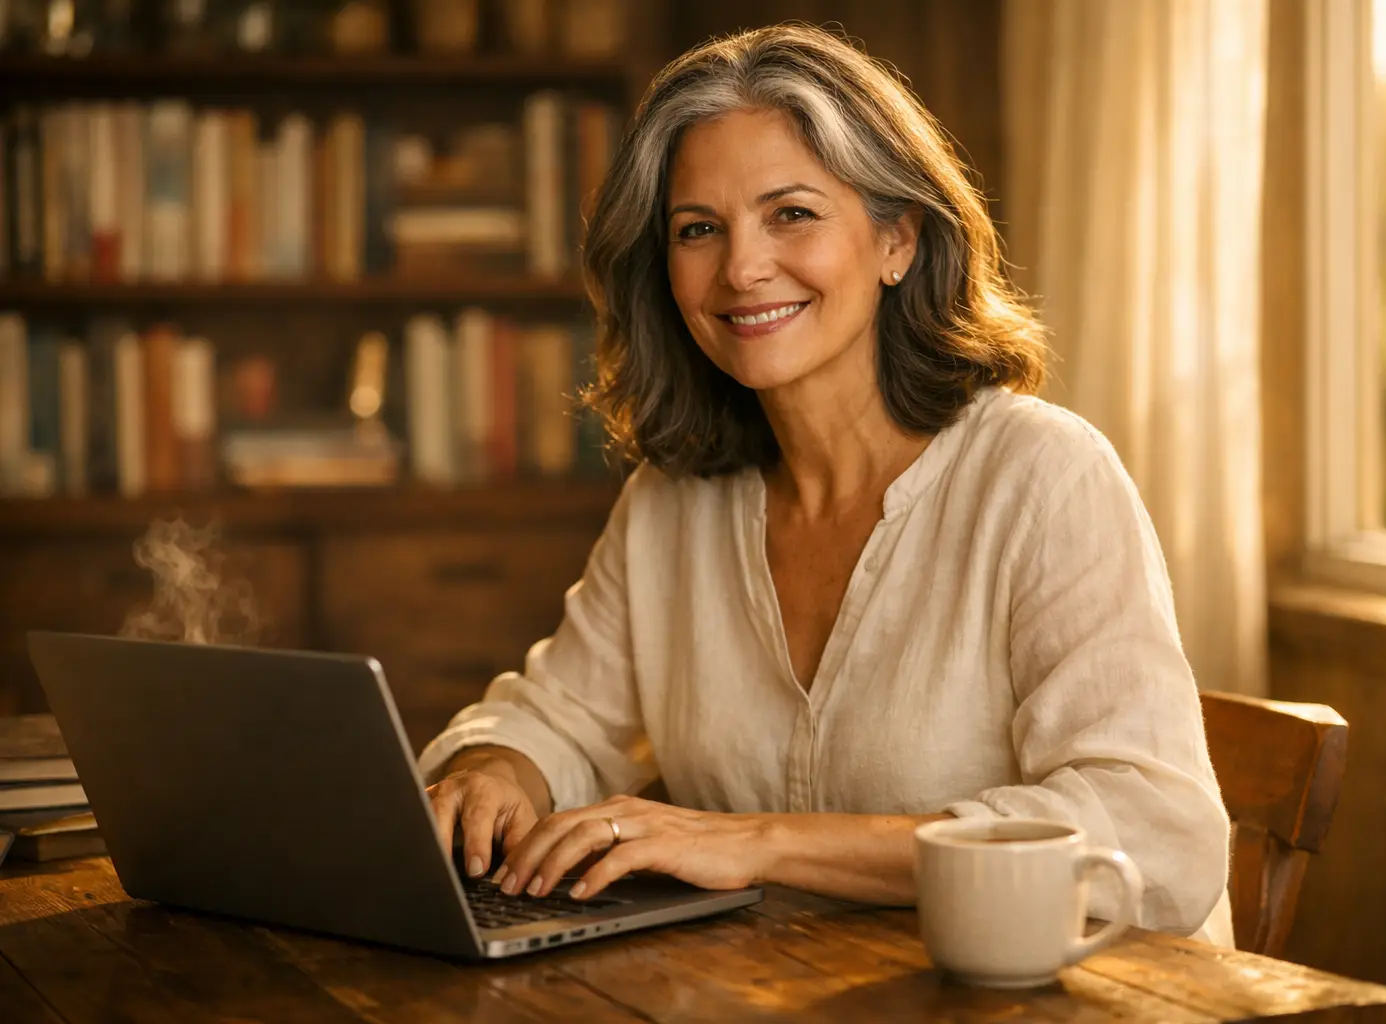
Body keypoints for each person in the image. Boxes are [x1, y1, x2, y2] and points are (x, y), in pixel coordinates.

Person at [420, 22, 1233, 945]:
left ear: (898, 239)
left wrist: (761, 844)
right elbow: (556, 717)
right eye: (699, 230)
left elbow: (1158, 841)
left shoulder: (1044, 479)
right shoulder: (672, 504)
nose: (742, 268)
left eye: (792, 213)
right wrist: (497, 768)